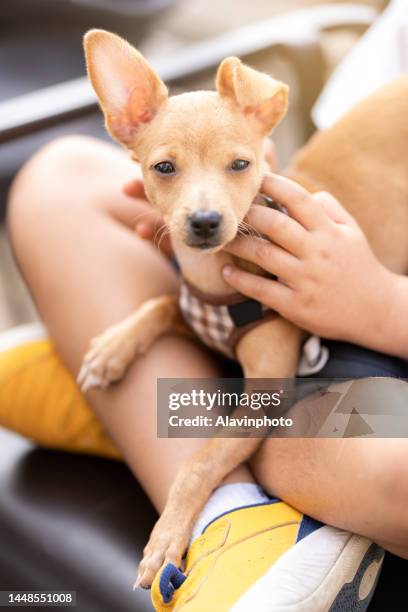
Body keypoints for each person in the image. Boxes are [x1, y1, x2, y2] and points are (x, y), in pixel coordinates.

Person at [1, 131, 407, 610]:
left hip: (358, 395)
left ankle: (175, 439)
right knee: (64, 175)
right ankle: (199, 456)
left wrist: (383, 306)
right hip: (319, 309)